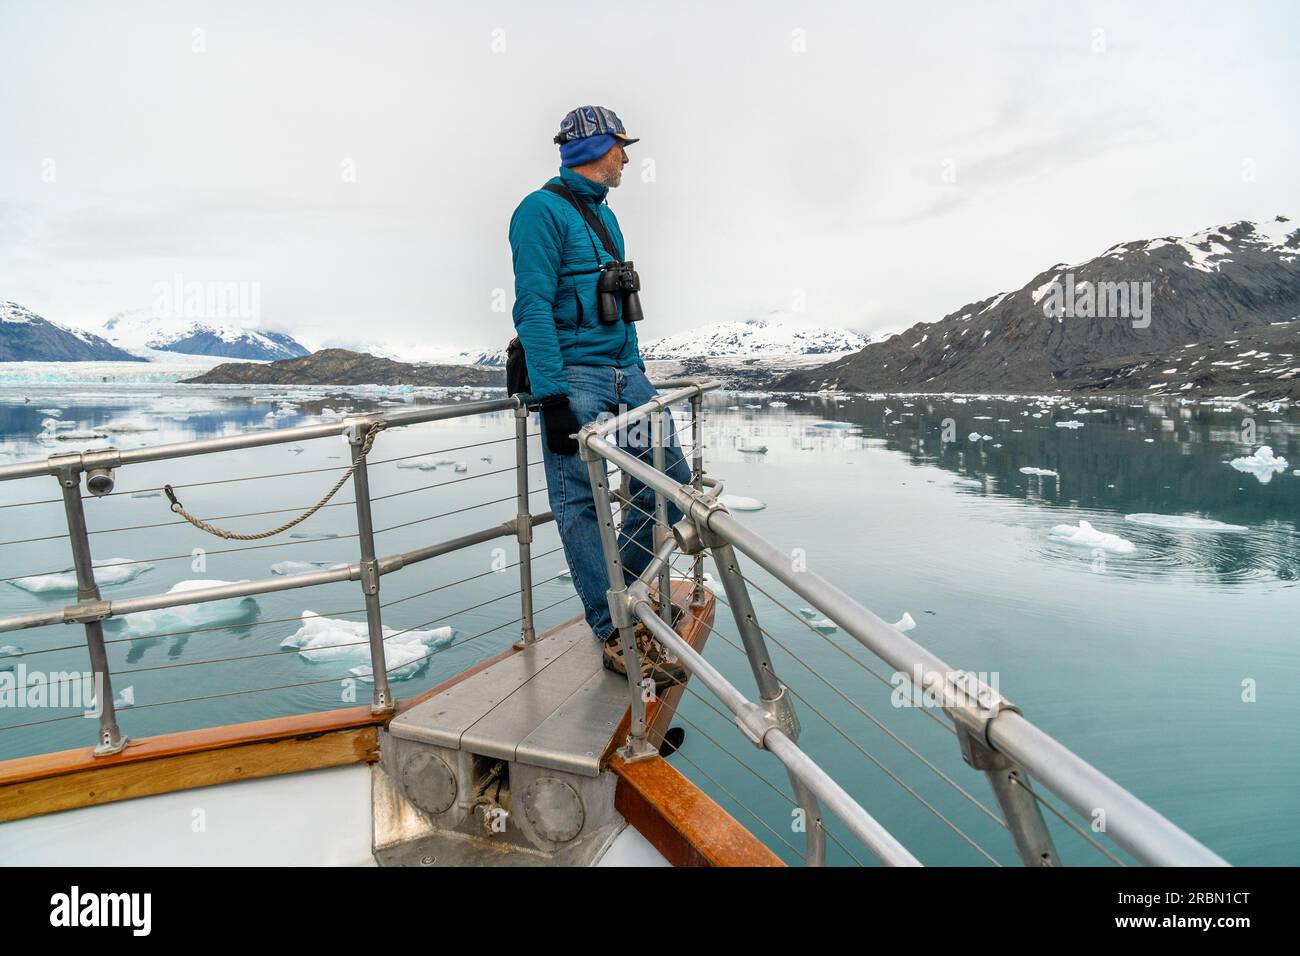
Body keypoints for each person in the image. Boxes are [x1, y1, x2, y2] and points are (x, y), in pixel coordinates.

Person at [508, 105, 690, 688]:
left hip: (623, 376)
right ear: (591, 149)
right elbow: (533, 305)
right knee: (580, 503)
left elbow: (623, 309)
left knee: (669, 482)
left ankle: (630, 595)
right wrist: (553, 394)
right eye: (619, 147)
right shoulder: (539, 211)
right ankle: (615, 630)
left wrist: (636, 371)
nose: (627, 158)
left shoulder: (605, 218)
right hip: (577, 378)